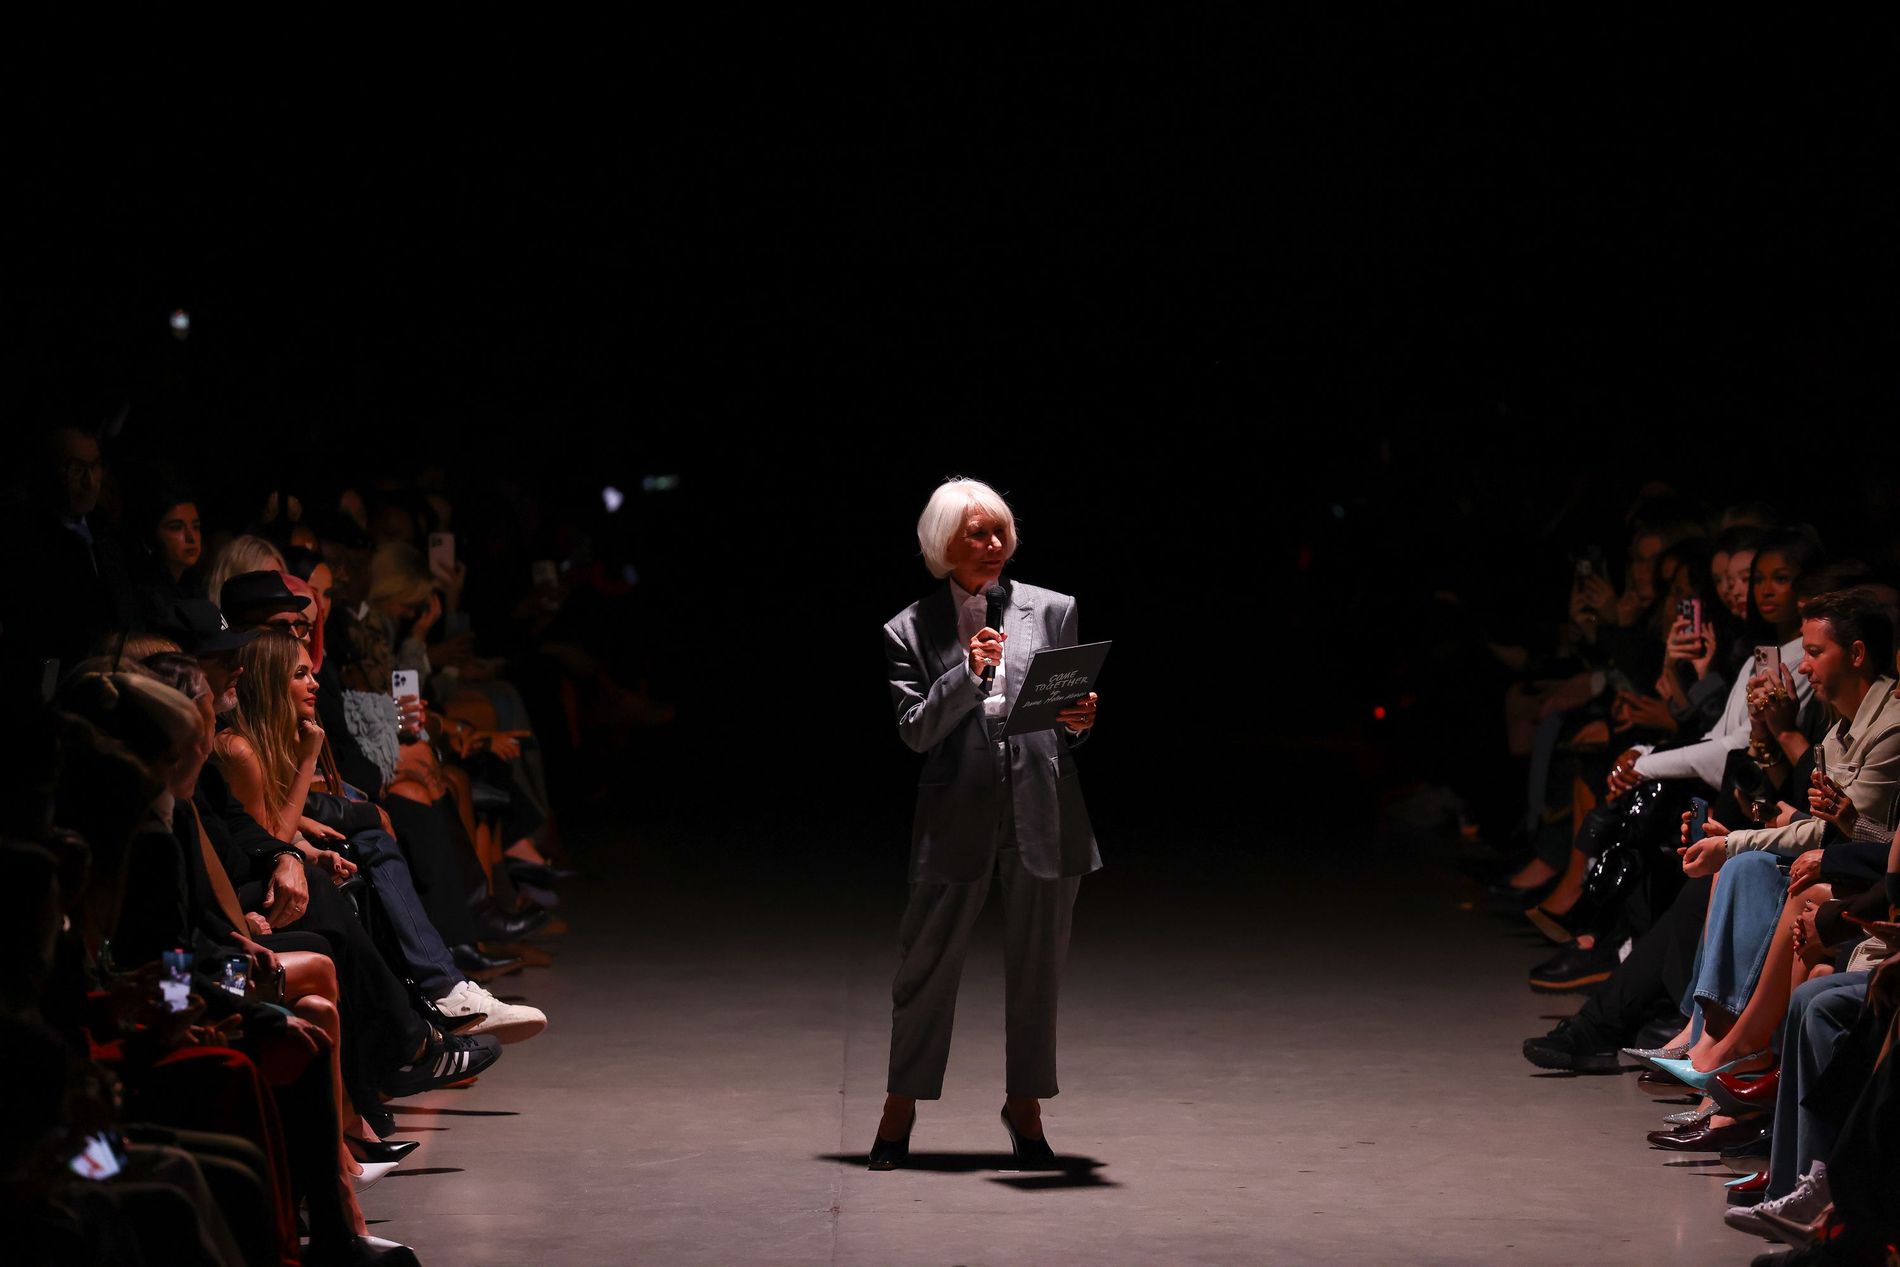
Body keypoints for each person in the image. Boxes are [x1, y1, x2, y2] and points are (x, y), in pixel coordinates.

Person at [868, 478, 1101, 1171]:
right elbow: (915, 731)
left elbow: (1062, 721)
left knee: (1038, 970)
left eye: (1001, 530)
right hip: (956, 812)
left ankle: (1025, 1106)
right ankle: (899, 1106)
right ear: (944, 542)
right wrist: (966, 677)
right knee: (925, 966)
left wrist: (1079, 720)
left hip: (1042, 806)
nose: (995, 543)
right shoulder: (909, 628)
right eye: (978, 532)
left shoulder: (1052, 609)